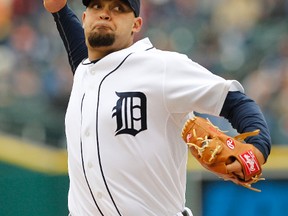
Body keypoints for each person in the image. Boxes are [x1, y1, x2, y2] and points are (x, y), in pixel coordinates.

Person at [43, 0, 271, 215]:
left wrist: (258, 148)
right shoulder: (86, 71)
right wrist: (59, 10)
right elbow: (80, 50)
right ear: (84, 18)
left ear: (136, 24)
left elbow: (235, 101)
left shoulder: (161, 67)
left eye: (118, 8)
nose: (104, 13)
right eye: (96, 6)